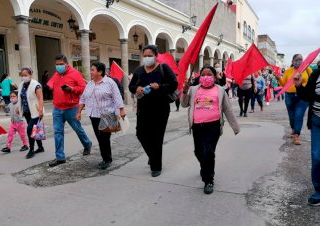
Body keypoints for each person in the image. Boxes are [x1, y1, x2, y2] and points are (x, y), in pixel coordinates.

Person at [181, 65, 240, 194]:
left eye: (209, 74)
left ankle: (208, 180)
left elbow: (227, 109)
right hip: (197, 126)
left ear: (214, 77)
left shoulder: (220, 91)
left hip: (213, 126)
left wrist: (235, 127)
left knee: (208, 152)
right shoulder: (193, 89)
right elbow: (184, 104)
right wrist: (184, 92)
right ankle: (205, 167)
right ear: (199, 77)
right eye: (203, 74)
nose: (205, 77)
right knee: (198, 152)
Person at [129, 45, 178, 177]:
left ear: (155, 56)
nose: (147, 58)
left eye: (149, 55)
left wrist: (160, 87)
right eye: (144, 55)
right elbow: (131, 86)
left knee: (156, 137)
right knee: (141, 134)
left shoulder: (163, 68)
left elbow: (174, 84)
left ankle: (156, 166)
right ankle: (152, 155)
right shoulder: (139, 70)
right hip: (143, 108)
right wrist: (137, 89)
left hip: (160, 109)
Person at [77, 62, 126, 169]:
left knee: (104, 137)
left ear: (100, 72)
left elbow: (117, 96)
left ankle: (107, 159)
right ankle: (105, 157)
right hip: (93, 115)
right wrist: (79, 112)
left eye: (92, 70)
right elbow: (83, 98)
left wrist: (122, 110)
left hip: (107, 114)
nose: (90, 72)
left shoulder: (110, 82)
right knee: (100, 138)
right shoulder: (90, 84)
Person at [47, 54, 92, 167]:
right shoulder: (56, 75)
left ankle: (87, 144)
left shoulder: (75, 74)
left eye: (61, 64)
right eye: (57, 65)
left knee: (78, 129)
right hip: (57, 108)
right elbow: (51, 86)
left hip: (71, 108)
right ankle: (60, 157)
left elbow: (83, 88)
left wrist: (72, 89)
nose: (59, 66)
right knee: (58, 133)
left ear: (67, 64)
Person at [294, 68, 320, 206]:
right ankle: (318, 190)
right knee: (317, 157)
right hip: (317, 121)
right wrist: (299, 85)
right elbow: (307, 95)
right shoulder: (316, 74)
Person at [275, 54, 312, 145]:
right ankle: (294, 129)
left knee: (298, 116)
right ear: (292, 61)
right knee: (292, 117)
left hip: (302, 97)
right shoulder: (288, 71)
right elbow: (284, 84)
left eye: (301, 59)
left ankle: (296, 135)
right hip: (289, 96)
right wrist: (279, 78)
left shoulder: (307, 69)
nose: (299, 61)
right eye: (297, 59)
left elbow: (312, 80)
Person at [17, 67, 45, 159]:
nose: (24, 77)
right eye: (22, 75)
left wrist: (40, 110)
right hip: (26, 111)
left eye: (26, 75)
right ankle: (40, 147)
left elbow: (40, 98)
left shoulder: (36, 85)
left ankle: (31, 150)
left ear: (30, 75)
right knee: (35, 129)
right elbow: (21, 97)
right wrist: (18, 108)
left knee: (30, 130)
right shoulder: (21, 85)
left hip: (36, 111)